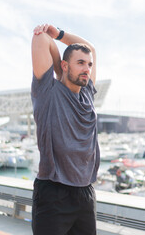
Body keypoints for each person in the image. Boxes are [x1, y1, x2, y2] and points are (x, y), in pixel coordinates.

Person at [31, 24, 100, 235]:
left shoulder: (87, 92)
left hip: (85, 194)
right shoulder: (48, 92)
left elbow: (91, 49)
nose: (86, 68)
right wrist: (52, 36)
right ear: (64, 66)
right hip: (53, 193)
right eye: (80, 63)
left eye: (88, 65)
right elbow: (41, 40)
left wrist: (61, 35)